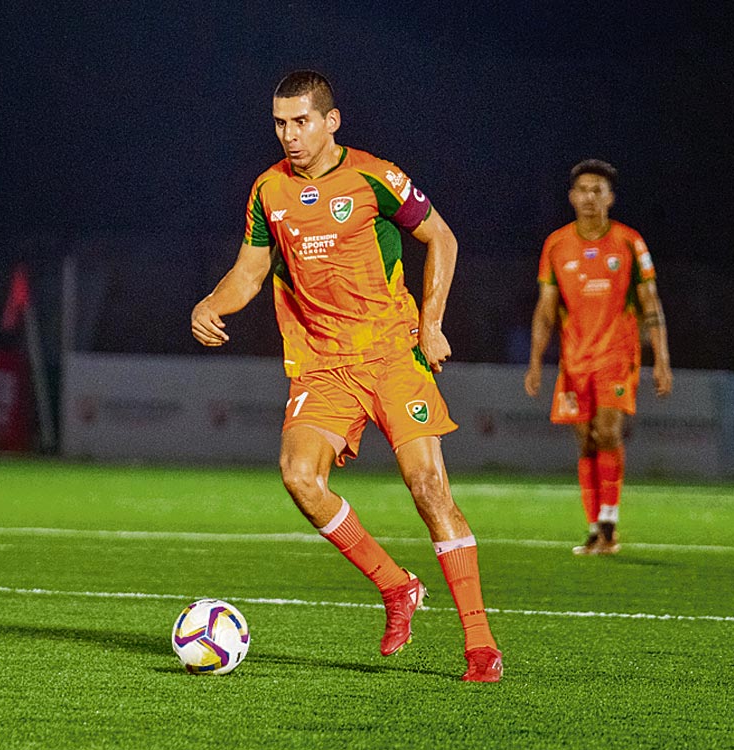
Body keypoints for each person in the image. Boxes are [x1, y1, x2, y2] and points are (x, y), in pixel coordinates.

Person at [191, 71, 502, 682]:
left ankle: (480, 643)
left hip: (392, 353)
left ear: (331, 121)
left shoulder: (374, 177)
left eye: (301, 121)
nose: (289, 135)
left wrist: (432, 323)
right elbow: (250, 273)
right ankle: (395, 586)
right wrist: (210, 304)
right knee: (299, 478)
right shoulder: (268, 190)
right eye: (280, 123)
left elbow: (441, 238)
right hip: (323, 363)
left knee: (428, 487)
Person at [524, 159, 671, 555]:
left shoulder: (629, 242)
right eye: (583, 190)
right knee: (586, 441)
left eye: (597, 191)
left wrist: (661, 359)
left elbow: (651, 303)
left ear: (610, 198)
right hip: (574, 359)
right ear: (572, 197)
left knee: (607, 432)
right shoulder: (556, 245)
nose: (590, 197)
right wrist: (536, 361)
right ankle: (593, 528)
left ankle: (609, 522)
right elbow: (545, 309)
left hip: (617, 353)